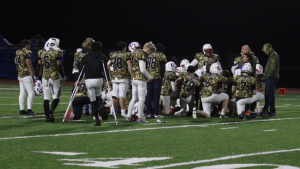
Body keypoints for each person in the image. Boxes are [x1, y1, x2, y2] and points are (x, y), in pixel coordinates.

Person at [79, 41, 109, 126]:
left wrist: (78, 80)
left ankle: (97, 121)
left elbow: (81, 69)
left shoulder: (86, 57)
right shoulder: (103, 57)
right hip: (99, 80)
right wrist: (107, 80)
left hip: (89, 80)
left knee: (93, 101)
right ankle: (101, 105)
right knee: (98, 97)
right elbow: (105, 70)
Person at [125, 41, 156, 123]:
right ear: (148, 49)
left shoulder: (134, 52)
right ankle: (140, 117)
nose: (149, 55)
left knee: (133, 98)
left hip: (134, 78)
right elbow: (142, 69)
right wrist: (149, 77)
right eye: (150, 52)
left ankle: (128, 116)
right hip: (140, 79)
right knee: (142, 99)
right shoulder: (142, 54)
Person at [36, 37, 65, 122]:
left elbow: (38, 66)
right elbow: (59, 65)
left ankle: (47, 117)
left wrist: (38, 78)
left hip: (45, 76)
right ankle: (51, 110)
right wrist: (63, 75)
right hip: (55, 76)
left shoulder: (41, 52)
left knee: (46, 98)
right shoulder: (57, 52)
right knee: (56, 96)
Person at [107, 41, 132, 118]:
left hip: (115, 77)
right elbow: (129, 66)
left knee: (114, 95)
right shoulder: (126, 55)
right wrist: (132, 75)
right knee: (122, 96)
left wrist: (110, 73)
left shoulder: (113, 54)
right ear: (124, 48)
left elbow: (108, 65)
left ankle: (112, 111)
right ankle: (123, 112)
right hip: (123, 77)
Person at [15, 39, 36, 116]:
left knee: (22, 93)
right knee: (31, 92)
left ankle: (22, 110)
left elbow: (15, 61)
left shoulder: (18, 52)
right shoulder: (27, 53)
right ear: (26, 45)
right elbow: (29, 64)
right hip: (26, 75)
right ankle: (29, 110)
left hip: (20, 75)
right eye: (29, 45)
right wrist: (33, 75)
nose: (29, 46)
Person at [146, 42, 167, 118]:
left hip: (148, 77)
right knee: (156, 96)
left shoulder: (148, 54)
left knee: (149, 96)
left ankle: (148, 113)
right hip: (157, 77)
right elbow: (162, 68)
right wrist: (161, 76)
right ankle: (156, 113)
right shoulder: (161, 55)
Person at [260, 43, 280, 117]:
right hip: (272, 77)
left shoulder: (274, 56)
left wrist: (267, 76)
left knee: (268, 95)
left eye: (265, 50)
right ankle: (272, 110)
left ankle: (265, 110)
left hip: (271, 77)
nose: (265, 52)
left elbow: (272, 68)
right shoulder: (273, 55)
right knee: (271, 95)